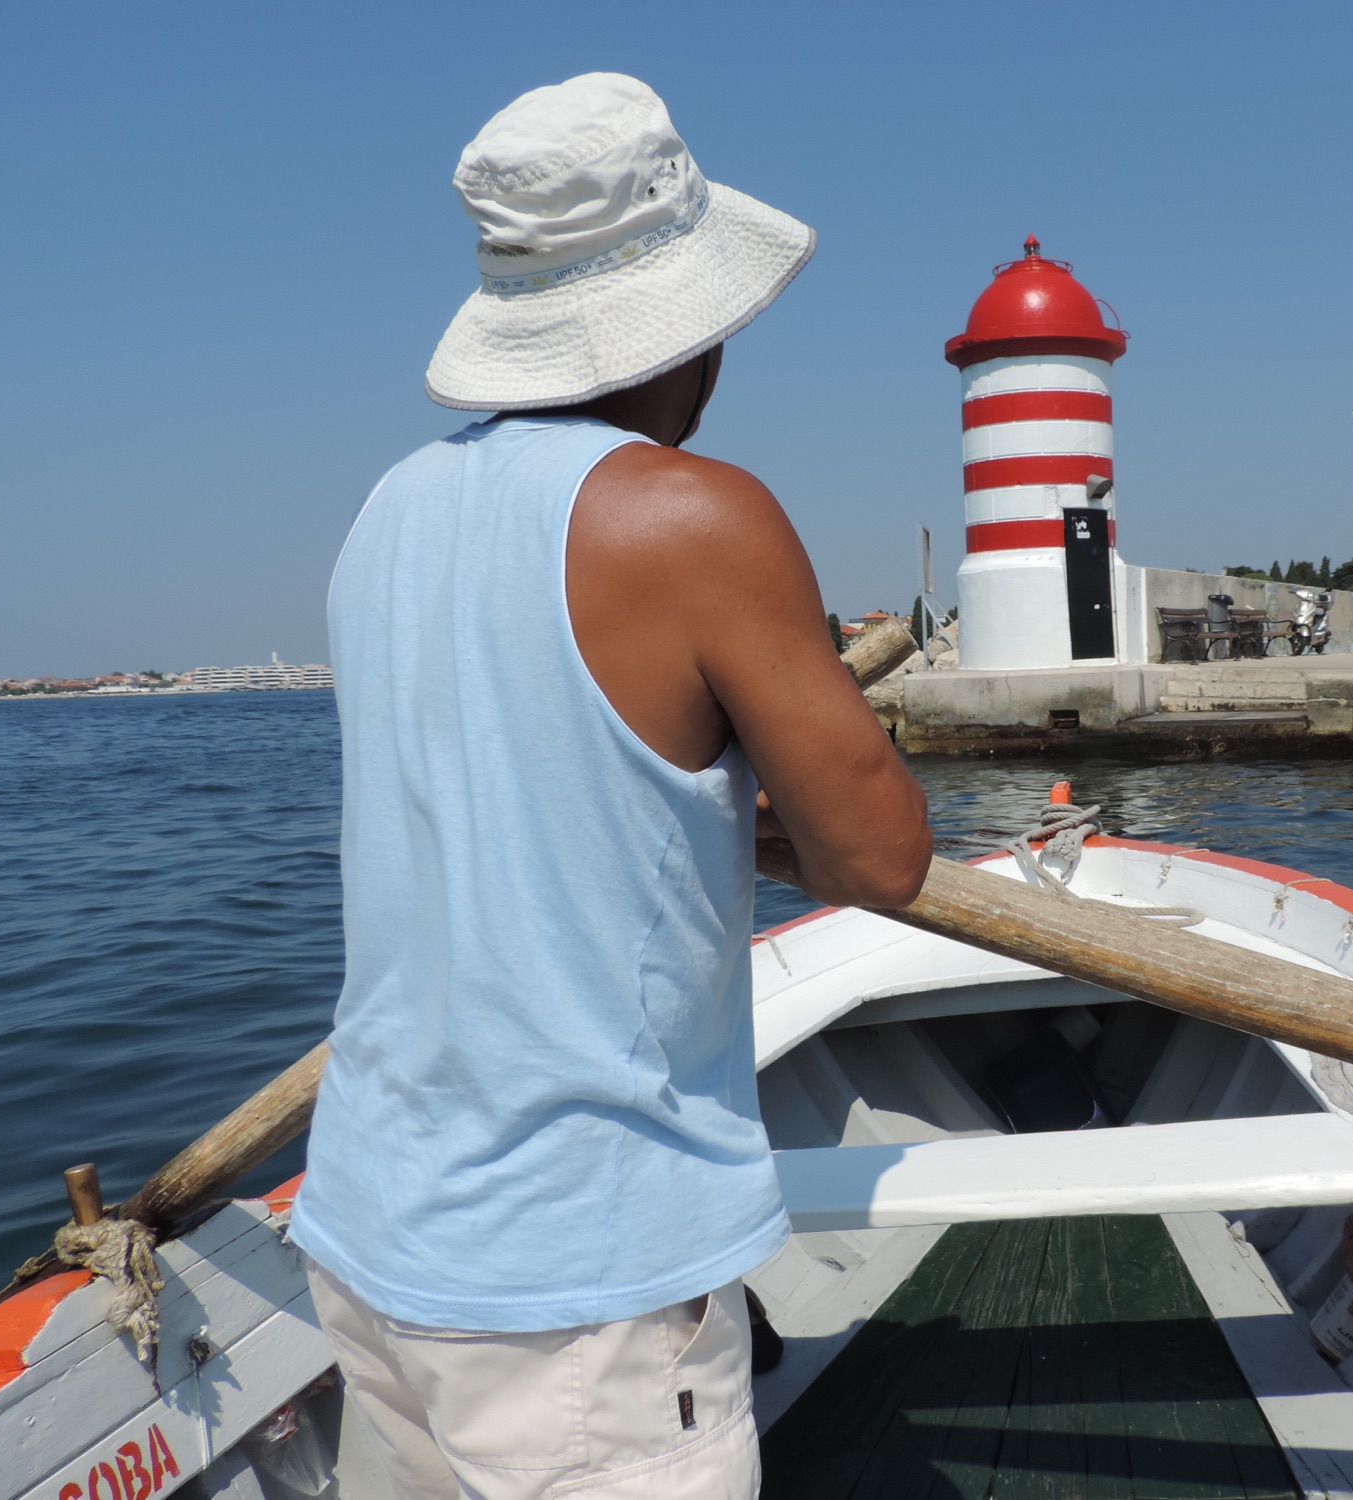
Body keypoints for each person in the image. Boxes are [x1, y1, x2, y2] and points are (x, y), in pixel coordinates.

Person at [289, 72, 933, 1500]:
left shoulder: (387, 512)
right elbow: (882, 861)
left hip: (372, 1231)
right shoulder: (696, 517)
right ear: (686, 320)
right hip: (573, 1289)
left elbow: (537, 788)